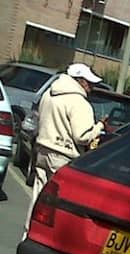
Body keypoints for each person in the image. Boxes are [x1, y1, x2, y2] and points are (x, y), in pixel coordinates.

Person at [26, 63, 106, 232]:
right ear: (80, 81)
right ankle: (48, 238)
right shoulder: (79, 103)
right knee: (60, 203)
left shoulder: (49, 94)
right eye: (89, 83)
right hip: (63, 155)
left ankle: (29, 232)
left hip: (42, 149)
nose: (91, 87)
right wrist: (98, 127)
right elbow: (82, 136)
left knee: (38, 195)